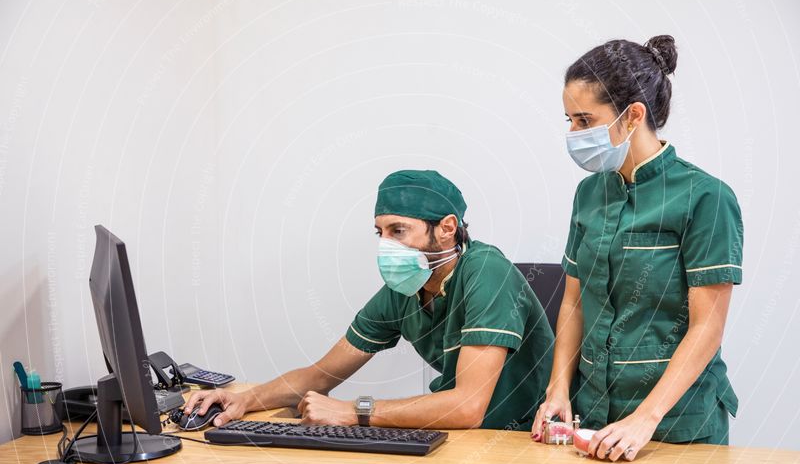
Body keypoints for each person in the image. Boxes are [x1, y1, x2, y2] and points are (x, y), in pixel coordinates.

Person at [185, 170, 554, 431]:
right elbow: (320, 375)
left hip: (521, 439)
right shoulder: (405, 290)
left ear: (446, 228)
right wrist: (245, 399)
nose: (386, 245)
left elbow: (467, 407)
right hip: (465, 441)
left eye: (399, 230)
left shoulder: (487, 272)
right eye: (380, 232)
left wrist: (353, 411)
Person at [532, 36, 744, 461]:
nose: (572, 133)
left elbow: (707, 327)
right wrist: (558, 388)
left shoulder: (706, 198)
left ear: (633, 116)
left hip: (676, 426)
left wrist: (645, 418)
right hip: (593, 417)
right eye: (569, 119)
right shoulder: (589, 195)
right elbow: (575, 300)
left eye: (584, 120)